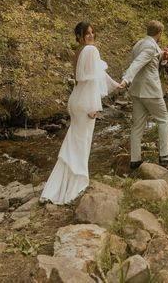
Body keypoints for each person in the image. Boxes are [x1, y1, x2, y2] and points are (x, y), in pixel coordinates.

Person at [41, 22, 122, 204]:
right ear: (78, 35)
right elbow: (93, 81)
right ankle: (75, 185)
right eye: (87, 34)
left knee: (74, 143)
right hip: (86, 103)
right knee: (81, 144)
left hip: (76, 100)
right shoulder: (91, 51)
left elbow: (97, 74)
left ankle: (58, 186)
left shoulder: (79, 51)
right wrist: (95, 106)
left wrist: (116, 84)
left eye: (93, 33)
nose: (91, 36)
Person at [121, 20, 168, 169]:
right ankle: (164, 155)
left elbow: (145, 59)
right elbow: (137, 63)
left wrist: (162, 54)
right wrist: (126, 79)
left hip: (137, 92)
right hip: (150, 91)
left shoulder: (140, 43)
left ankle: (135, 160)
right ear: (160, 33)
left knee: (137, 125)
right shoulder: (150, 47)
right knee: (164, 119)